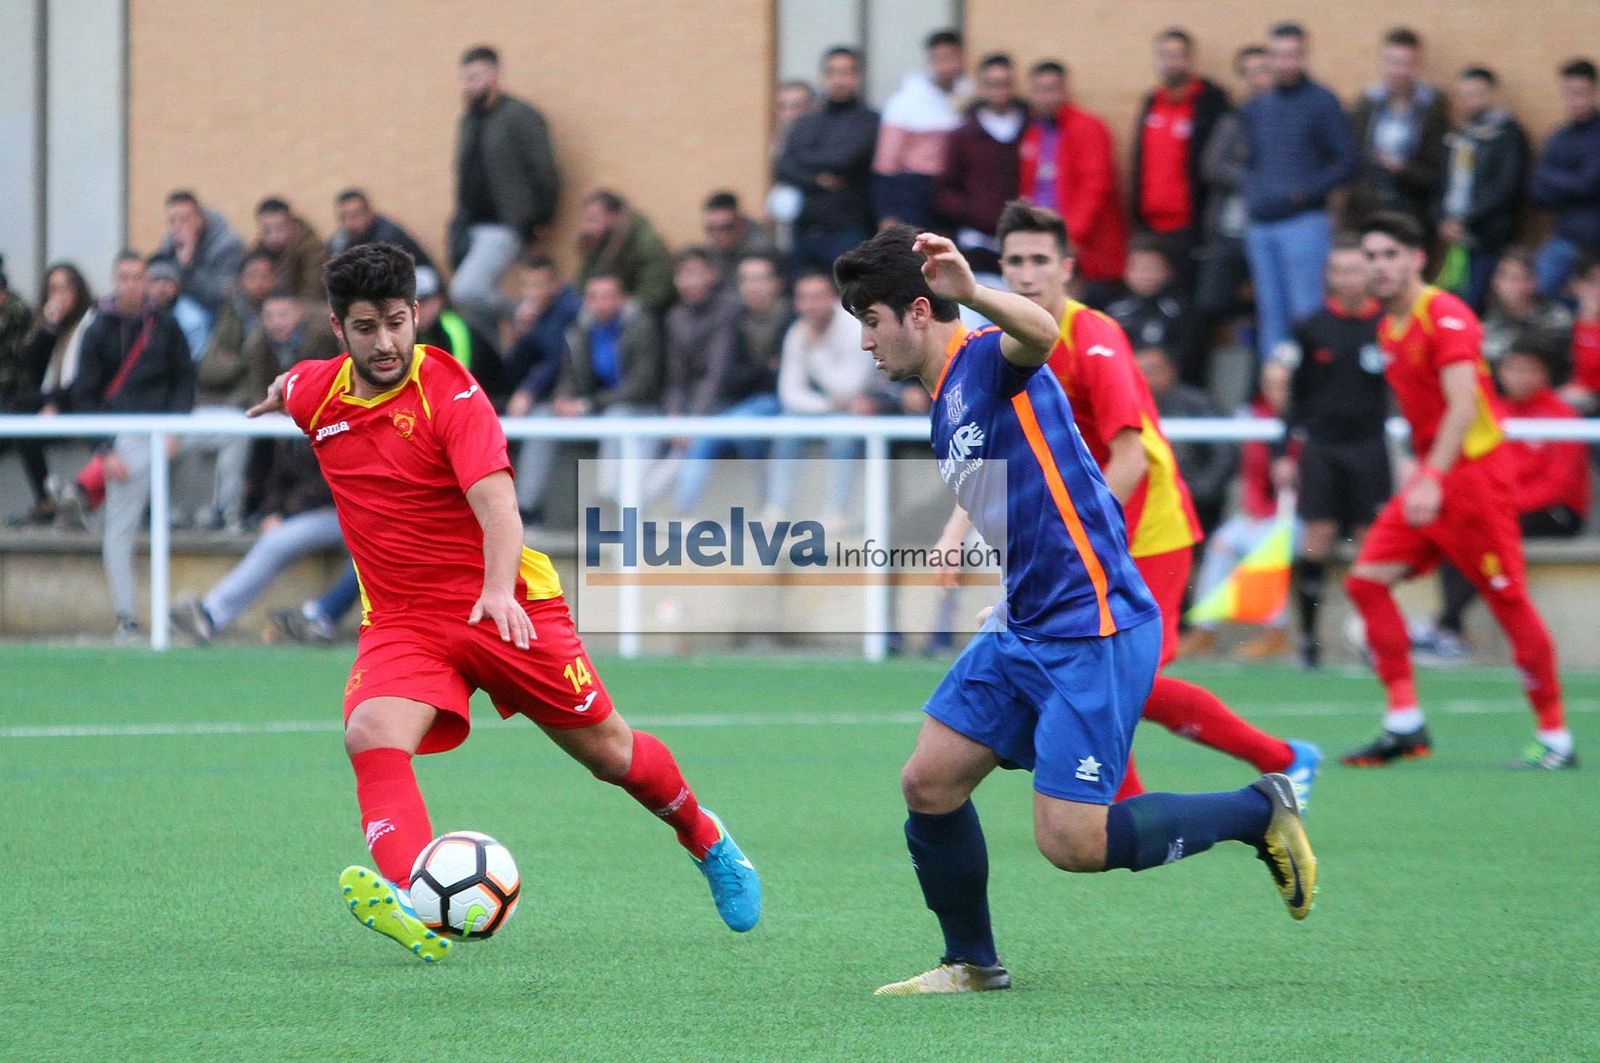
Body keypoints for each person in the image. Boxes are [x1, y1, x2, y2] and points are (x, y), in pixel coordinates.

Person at [833, 225, 1314, 996]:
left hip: (1091, 626)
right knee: (929, 781)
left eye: (870, 320)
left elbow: (1043, 330)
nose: (864, 341)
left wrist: (975, 288)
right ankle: (973, 963)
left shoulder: (986, 354)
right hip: (1024, 624)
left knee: (1074, 842)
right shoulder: (944, 399)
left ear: (918, 311)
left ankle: (1256, 810)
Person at [247, 242, 759, 962]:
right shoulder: (317, 394)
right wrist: (279, 392)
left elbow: (499, 507)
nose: (387, 341)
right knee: (370, 733)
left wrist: (493, 592)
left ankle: (707, 839)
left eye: (398, 321)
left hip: (506, 604)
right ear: (339, 330)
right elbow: (294, 383)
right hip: (403, 621)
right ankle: (410, 897)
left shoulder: (451, 395)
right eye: (366, 327)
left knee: (612, 755)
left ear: (417, 314)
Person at [977, 202, 1315, 798]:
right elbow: (999, 448)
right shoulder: (1003, 346)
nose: (1026, 274)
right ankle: (1123, 807)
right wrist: (958, 532)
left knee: (1125, 681)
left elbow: (1130, 458)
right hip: (1086, 539)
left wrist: (1078, 540)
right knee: (1097, 679)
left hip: (1148, 530)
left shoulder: (1095, 336)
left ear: (1067, 269)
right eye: (1015, 262)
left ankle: (1284, 757)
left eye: (1039, 260)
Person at [1342, 212, 1573, 770]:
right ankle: (1404, 721)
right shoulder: (1388, 328)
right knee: (1366, 581)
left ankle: (1556, 737)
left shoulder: (1445, 314)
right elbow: (1417, 414)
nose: (1380, 266)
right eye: (1371, 256)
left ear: (1419, 259)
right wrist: (1416, 470)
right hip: (1434, 475)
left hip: (1471, 479)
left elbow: (1463, 405)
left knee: (1506, 598)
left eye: (1391, 254)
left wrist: (1432, 475)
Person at [1415, 332, 1590, 662]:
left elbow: (1557, 486)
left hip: (1555, 513)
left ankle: (1445, 627)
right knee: (1460, 532)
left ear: (1544, 374)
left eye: (1529, 369)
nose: (1520, 377)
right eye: (1513, 368)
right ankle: (1448, 630)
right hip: (1504, 508)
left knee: (1481, 533)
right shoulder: (1495, 413)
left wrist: (1500, 507)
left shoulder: (1561, 415)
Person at [1272, 236, 1388, 669]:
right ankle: (1308, 639)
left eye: (1355, 269)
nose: (1348, 278)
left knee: (1369, 540)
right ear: (1329, 276)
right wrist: (1283, 453)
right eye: (1339, 270)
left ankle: (1370, 638)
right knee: (1317, 536)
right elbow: (1293, 399)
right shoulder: (1311, 327)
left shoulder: (1387, 325)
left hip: (1370, 447)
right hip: (1321, 447)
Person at [70, 252, 195, 640]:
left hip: (168, 429)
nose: (132, 284)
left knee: (231, 434)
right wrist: (104, 450)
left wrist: (173, 429)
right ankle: (127, 616)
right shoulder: (97, 330)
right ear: (113, 280)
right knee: (120, 528)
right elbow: (85, 395)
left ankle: (219, 510)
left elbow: (183, 380)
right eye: (123, 277)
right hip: (124, 439)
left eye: (138, 276)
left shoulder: (167, 325)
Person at [1241, 22, 1356, 360]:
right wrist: (1253, 192)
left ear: (1304, 57)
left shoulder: (1323, 101)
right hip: (1261, 224)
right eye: (1278, 55)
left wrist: (1304, 193)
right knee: (1270, 315)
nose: (1285, 63)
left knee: (1307, 312)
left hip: (1304, 222)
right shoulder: (1258, 106)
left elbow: (1347, 160)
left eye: (1293, 55)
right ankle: (1277, 401)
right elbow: (1247, 159)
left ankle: (1314, 393)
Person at [513, 272, 664, 522]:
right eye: (594, 297)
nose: (601, 303)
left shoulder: (642, 327)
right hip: (593, 406)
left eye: (608, 296)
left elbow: (641, 385)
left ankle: (608, 501)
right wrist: (563, 400)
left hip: (637, 408)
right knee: (542, 417)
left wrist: (586, 405)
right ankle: (527, 507)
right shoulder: (580, 328)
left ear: (622, 299)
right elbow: (569, 374)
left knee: (617, 418)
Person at [170, 438, 343, 643]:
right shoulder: (289, 430)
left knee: (277, 541)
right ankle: (210, 614)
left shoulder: (336, 424)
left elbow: (332, 483)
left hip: (342, 510)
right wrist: (272, 511)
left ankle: (211, 615)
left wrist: (286, 513)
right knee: (274, 540)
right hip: (306, 511)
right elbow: (277, 478)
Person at [1188, 360, 1296, 659]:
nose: (1277, 391)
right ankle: (1204, 629)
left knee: (1271, 545)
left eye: (1284, 384)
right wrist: (1254, 511)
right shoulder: (1252, 418)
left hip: (1297, 515)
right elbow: (1250, 476)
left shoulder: (1305, 420)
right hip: (1257, 512)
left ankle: (1276, 631)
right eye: (1271, 384)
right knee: (1221, 543)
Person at [449, 45, 559, 336]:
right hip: (470, 228)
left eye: (475, 77)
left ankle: (522, 311)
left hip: (505, 225)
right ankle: (492, 373)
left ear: (494, 75)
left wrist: (539, 219)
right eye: (464, 78)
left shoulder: (520, 116)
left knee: (466, 290)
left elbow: (544, 170)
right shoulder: (468, 122)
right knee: (475, 313)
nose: (468, 86)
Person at [660, 248, 778, 512]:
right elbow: (676, 376)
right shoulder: (675, 317)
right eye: (683, 275)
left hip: (734, 402)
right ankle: (648, 513)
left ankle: (663, 512)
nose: (689, 282)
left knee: (711, 437)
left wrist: (694, 419)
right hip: (706, 406)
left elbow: (719, 373)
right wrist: (675, 413)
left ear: (712, 275)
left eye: (695, 274)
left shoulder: (730, 310)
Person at [1130, 28, 1232, 293]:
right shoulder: (1152, 102)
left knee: (1191, 298)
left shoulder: (1209, 102)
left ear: (1189, 60)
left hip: (1191, 225)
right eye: (1164, 55)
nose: (1170, 62)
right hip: (1152, 225)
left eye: (1177, 55)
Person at [769, 270, 876, 515]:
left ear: (833, 297)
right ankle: (777, 508)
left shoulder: (854, 327)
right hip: (831, 408)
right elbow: (789, 394)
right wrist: (829, 405)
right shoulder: (797, 333)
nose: (809, 305)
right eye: (803, 298)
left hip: (871, 405)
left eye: (817, 297)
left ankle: (838, 512)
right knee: (786, 426)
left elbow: (850, 389)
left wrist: (815, 351)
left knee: (842, 432)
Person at [1019, 61, 1127, 293]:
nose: (1046, 97)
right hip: (1044, 245)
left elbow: (1095, 187)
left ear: (1065, 91)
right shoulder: (1033, 133)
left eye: (1052, 89)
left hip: (1084, 250)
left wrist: (1069, 237)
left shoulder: (1087, 128)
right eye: (1039, 90)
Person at [775, 46, 880, 274]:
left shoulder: (870, 121)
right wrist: (817, 181)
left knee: (850, 302)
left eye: (846, 72)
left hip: (849, 230)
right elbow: (783, 165)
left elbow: (844, 160)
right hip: (804, 230)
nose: (839, 80)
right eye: (832, 72)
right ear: (823, 76)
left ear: (857, 76)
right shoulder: (806, 122)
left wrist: (804, 160)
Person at [6, 263, 95, 525]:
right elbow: (31, 373)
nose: (59, 296)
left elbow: (83, 380)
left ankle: (46, 502)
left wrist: (55, 404)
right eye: (53, 289)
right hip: (54, 398)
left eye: (65, 288)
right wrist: (48, 329)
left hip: (79, 401)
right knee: (14, 409)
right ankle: (46, 500)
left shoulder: (90, 323)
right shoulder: (52, 326)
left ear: (78, 291)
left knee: (17, 411)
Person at [1194, 45, 1273, 336]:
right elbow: (1211, 166)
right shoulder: (1234, 119)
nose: (1257, 79)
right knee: (1210, 303)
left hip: (1272, 227)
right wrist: (1254, 177)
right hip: (1229, 231)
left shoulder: (1292, 117)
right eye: (1249, 73)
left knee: (1270, 308)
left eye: (1263, 70)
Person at [1437, 67, 1530, 311]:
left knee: (1474, 303)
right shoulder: (1456, 136)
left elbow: (1505, 187)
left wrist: (1463, 219)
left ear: (1492, 95)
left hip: (1487, 236)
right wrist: (1441, 219)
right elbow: (1441, 185)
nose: (1469, 101)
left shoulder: (1508, 134)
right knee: (1451, 301)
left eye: (1476, 94)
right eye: (1464, 95)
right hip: (1454, 238)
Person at [1343, 28, 1450, 238]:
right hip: (1366, 206)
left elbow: (1439, 168)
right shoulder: (1366, 102)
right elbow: (1352, 153)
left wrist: (1403, 169)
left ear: (1418, 64)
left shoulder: (1433, 107)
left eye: (1406, 63)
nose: (1398, 70)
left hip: (1412, 207)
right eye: (1392, 62)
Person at [934, 52, 1026, 277]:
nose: (999, 91)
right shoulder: (964, 134)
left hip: (1021, 240)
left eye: (1005, 84)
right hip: (977, 242)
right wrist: (972, 211)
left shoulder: (1030, 129)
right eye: (992, 84)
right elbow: (946, 186)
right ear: (981, 87)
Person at [872, 28, 969, 229]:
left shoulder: (970, 99)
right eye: (937, 59)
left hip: (956, 190)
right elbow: (886, 163)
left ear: (961, 58)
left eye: (950, 58)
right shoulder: (905, 102)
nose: (944, 66)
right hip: (915, 190)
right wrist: (887, 212)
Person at [1136, 344, 1236, 534]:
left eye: (1152, 370)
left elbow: (1225, 451)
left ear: (1170, 370)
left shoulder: (1196, 404)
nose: (1146, 379)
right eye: (1139, 372)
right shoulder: (1130, 404)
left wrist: (1199, 491)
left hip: (1196, 503)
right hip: (1148, 503)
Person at [1528, 59, 1600, 299]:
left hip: (1594, 241)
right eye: (1568, 93)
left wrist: (1553, 178)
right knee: (1537, 292)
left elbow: (1589, 183)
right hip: (1564, 236)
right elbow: (1536, 189)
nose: (1575, 101)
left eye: (1581, 93)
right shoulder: (1559, 136)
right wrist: (1572, 182)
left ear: (1594, 91)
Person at [412, 266, 510, 409]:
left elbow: (460, 376)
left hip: (492, 401)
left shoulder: (454, 328)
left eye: (425, 302)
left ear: (438, 300)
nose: (420, 311)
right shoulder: (419, 331)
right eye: (414, 304)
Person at [1104, 236, 1196, 382]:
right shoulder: (1114, 312)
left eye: (1152, 268)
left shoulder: (1180, 311)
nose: (1146, 275)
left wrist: (1161, 362)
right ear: (1126, 272)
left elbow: (1186, 354)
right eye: (1139, 268)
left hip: (1170, 385)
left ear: (1167, 271)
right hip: (1125, 382)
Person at [575, 190, 675, 317]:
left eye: (592, 219)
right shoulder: (597, 240)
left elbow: (654, 293)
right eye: (585, 219)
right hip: (610, 304)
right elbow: (583, 284)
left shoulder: (646, 243)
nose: (586, 227)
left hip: (649, 310)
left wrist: (616, 306)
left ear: (613, 217)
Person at [504, 257, 581, 418]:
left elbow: (558, 357)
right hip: (548, 396)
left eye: (537, 285)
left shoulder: (570, 310)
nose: (531, 293)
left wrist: (528, 391)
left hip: (573, 395)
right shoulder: (531, 316)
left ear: (555, 285)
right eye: (525, 285)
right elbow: (515, 370)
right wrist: (522, 334)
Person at [157, 190, 245, 316]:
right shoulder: (170, 242)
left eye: (184, 219)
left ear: (200, 218)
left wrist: (188, 268)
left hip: (218, 313)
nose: (178, 226)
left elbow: (222, 295)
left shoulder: (228, 245)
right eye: (172, 221)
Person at [1481, 250, 1573, 365]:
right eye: (1509, 278)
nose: (1515, 286)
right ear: (1496, 282)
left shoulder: (1556, 316)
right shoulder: (1488, 325)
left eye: (1523, 278)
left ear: (1534, 282)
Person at [329, 189, 435, 271]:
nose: (349, 223)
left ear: (369, 213)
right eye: (343, 218)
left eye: (355, 216)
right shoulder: (340, 242)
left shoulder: (389, 236)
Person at [253, 198, 328, 303]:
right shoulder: (258, 251)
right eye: (267, 230)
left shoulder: (313, 250)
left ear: (292, 224)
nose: (274, 236)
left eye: (280, 228)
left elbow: (312, 295)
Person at [701, 191, 778, 287]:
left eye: (726, 227)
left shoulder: (762, 247)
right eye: (711, 228)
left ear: (739, 222)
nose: (718, 234)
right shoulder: (709, 247)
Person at [1558, 254, 1600, 412]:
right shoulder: (1559, 321)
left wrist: (1591, 322)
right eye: (1592, 282)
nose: (1598, 289)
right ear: (1576, 285)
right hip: (1564, 396)